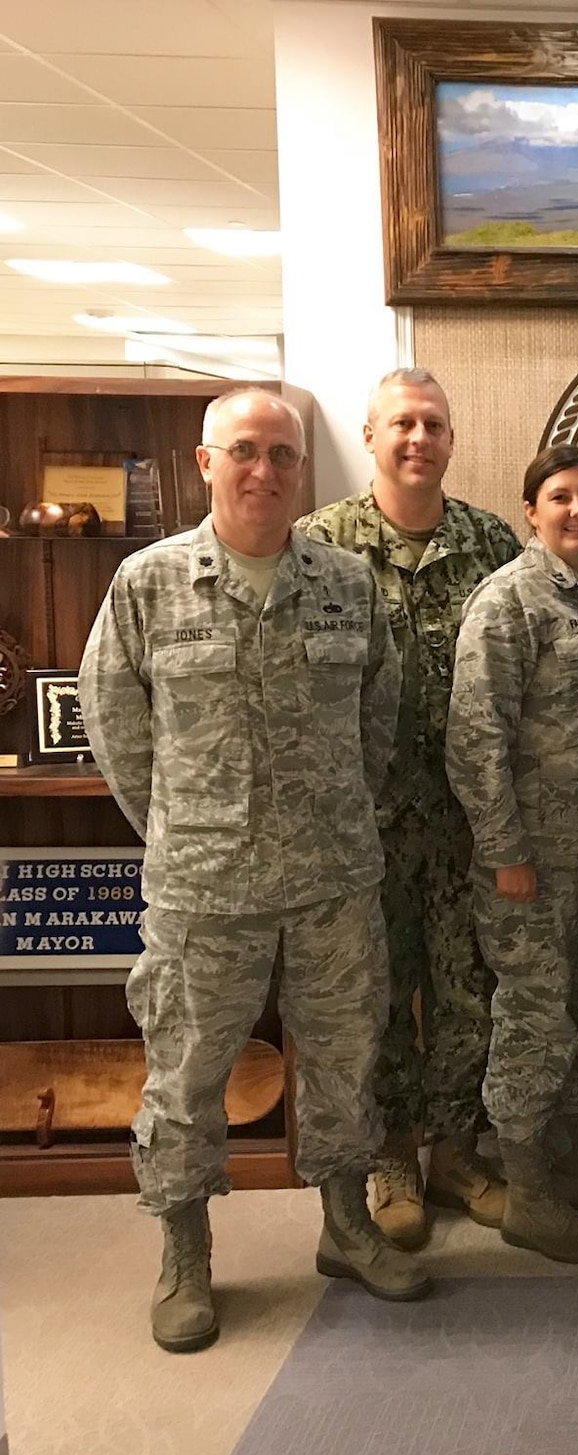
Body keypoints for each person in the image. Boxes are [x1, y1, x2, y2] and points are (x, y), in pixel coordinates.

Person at [79, 389, 429, 1353]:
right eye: (245, 451)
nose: (265, 471)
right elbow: (115, 727)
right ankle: (185, 1255)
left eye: (282, 454)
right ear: (205, 462)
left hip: (331, 881)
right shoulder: (149, 584)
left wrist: (329, 816)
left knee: (344, 1062)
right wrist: (182, 828)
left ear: (303, 468)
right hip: (204, 891)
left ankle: (347, 1226)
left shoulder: (346, 583)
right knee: (187, 1077)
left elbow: (378, 717)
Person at [298, 367, 521, 1249]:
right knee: (380, 996)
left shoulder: (493, 542)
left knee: (470, 992)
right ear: (371, 435)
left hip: (470, 820)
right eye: (402, 424)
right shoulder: (318, 545)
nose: (418, 438)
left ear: (452, 440)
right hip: (365, 827)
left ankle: (458, 1154)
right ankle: (393, 1156)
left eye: (433, 423)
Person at [445, 445, 578, 1265]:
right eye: (560, 497)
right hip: (533, 863)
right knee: (535, 1020)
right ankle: (528, 1187)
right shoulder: (508, 601)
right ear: (530, 511)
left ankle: (573, 1158)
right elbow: (475, 736)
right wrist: (503, 851)